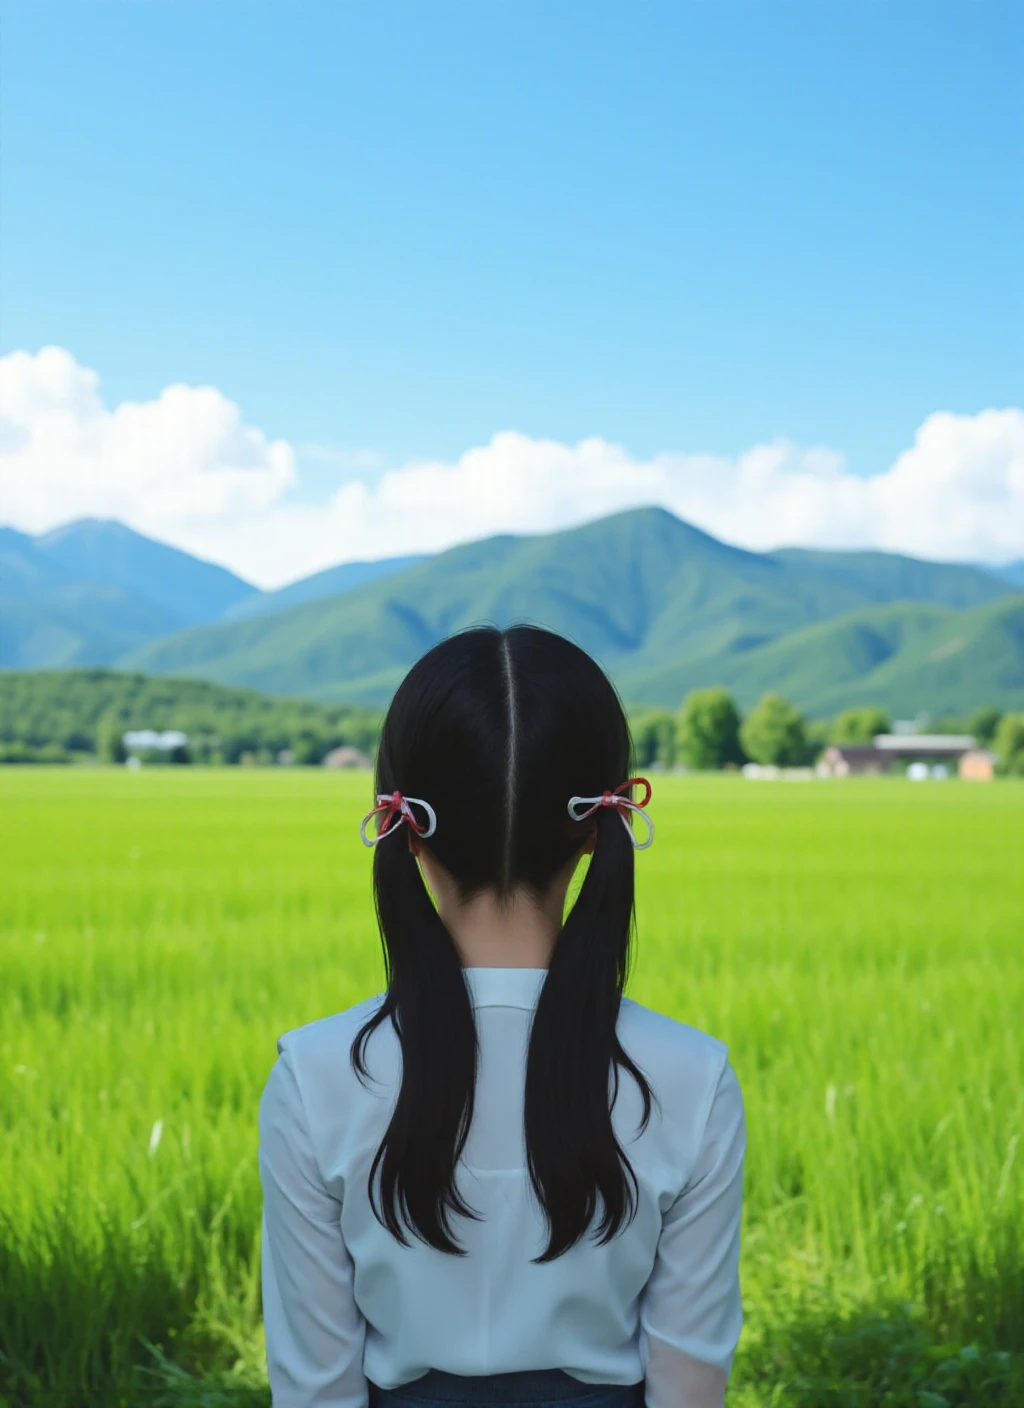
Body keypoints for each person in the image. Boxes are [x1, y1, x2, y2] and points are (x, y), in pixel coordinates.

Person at [259, 625, 745, 1408]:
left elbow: (315, 1387)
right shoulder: (694, 1077)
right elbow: (690, 1383)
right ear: (596, 824)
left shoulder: (313, 1077)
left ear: (402, 823)